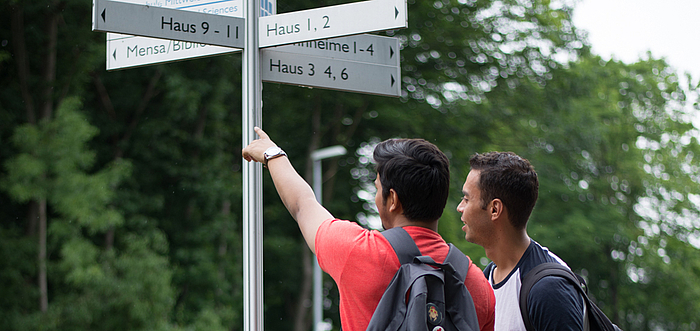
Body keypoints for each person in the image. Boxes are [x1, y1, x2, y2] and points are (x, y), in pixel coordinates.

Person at [242, 127, 495, 331]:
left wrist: (273, 154)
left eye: (377, 188)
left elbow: (302, 205)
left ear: (393, 199)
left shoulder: (358, 252)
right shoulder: (477, 284)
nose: (376, 197)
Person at [456, 151, 585, 330]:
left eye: (466, 199)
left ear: (495, 209)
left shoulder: (549, 290)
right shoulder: (486, 279)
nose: (459, 207)